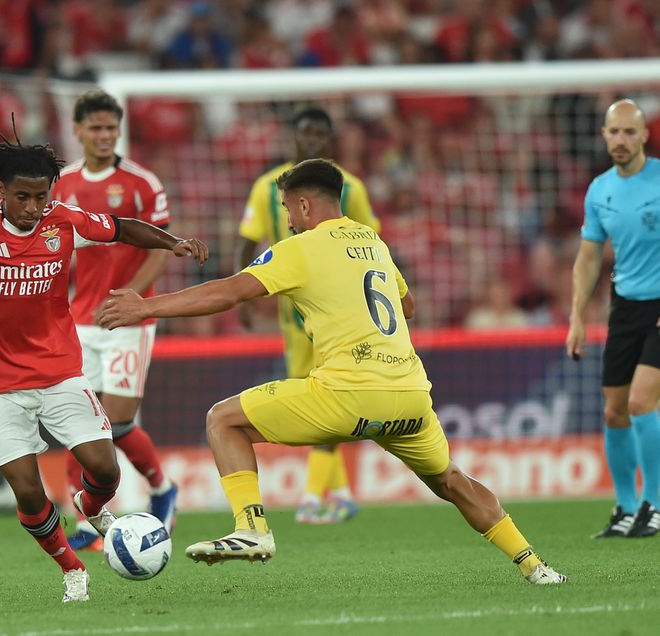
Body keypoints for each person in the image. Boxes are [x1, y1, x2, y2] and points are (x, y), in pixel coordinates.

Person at [98, 159, 567, 585]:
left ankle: (252, 529)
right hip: (410, 394)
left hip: (348, 394)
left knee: (223, 419)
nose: (287, 219)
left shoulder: (299, 248)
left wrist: (146, 307)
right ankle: (534, 566)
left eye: (287, 208)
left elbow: (230, 292)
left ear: (304, 205)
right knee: (452, 481)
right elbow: (407, 305)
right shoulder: (372, 240)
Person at [0, 137, 207, 602]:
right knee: (30, 493)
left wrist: (171, 242)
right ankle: (72, 569)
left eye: (41, 196)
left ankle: (89, 506)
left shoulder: (64, 221)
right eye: (23, 196)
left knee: (106, 470)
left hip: (58, 372)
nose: (33, 207)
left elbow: (122, 228)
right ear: (1, 190)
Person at [237, 106, 380, 524]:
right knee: (314, 396)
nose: (313, 140)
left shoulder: (350, 188)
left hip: (338, 312)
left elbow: (372, 242)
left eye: (320, 133)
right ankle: (341, 492)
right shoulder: (267, 187)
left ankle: (312, 496)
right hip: (294, 316)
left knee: (329, 398)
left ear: (329, 140)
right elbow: (247, 239)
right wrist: (243, 296)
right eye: (306, 133)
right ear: (294, 137)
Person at [52, 89, 178, 552]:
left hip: (131, 319)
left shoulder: (142, 183)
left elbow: (161, 248)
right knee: (79, 422)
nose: (105, 135)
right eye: (96, 128)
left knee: (118, 422)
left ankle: (162, 487)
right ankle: (89, 520)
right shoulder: (61, 183)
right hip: (81, 319)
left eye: (111, 128)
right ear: (78, 130)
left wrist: (134, 297)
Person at [567, 98, 660, 539]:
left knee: (641, 402)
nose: (621, 139)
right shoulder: (599, 190)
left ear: (644, 135)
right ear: (604, 135)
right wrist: (576, 317)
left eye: (629, 131)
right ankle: (625, 508)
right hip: (625, 307)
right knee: (615, 411)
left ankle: (654, 504)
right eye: (614, 131)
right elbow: (588, 259)